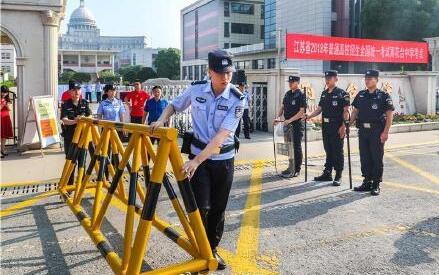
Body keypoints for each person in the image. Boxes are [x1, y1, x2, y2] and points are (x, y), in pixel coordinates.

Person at [150, 49, 244, 270]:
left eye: (229, 72)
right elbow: (174, 105)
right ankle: (199, 252)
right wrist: (161, 118)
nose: (226, 77)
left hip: (222, 160)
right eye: (220, 72)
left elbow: (220, 138)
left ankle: (211, 251)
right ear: (209, 71)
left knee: (218, 209)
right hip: (198, 158)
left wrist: (195, 161)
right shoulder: (195, 90)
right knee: (200, 207)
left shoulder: (237, 99)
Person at [350, 70, 394, 196]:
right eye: (366, 78)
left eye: (370, 78)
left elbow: (390, 115)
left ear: (376, 80)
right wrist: (348, 124)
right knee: (364, 156)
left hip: (376, 131)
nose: (367, 80)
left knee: (376, 157)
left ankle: (376, 183)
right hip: (363, 130)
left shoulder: (383, 96)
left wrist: (385, 132)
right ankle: (367, 181)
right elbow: (355, 111)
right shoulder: (361, 94)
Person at [306, 70, 350, 186]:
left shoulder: (342, 94)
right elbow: (320, 108)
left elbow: (346, 111)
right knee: (328, 150)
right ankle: (327, 173)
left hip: (337, 126)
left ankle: (338, 174)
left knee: (337, 151)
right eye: (326, 78)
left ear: (336, 79)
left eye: (330, 78)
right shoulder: (324, 93)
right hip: (326, 126)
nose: (327, 80)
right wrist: (309, 116)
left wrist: (343, 126)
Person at [273, 75, 306, 178]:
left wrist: (290, 120)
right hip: (287, 125)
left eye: (292, 82)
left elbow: (302, 112)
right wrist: (277, 117)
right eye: (289, 82)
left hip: (296, 125)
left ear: (297, 82)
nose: (290, 84)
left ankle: (297, 169)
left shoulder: (301, 95)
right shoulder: (288, 94)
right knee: (289, 147)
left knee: (296, 147)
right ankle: (290, 167)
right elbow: (282, 107)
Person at [60, 82, 91, 184]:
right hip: (70, 138)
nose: (77, 92)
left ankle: (81, 186)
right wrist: (75, 121)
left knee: (82, 163)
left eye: (78, 89)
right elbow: (64, 120)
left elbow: (90, 116)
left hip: (83, 137)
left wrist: (84, 119)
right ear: (69, 92)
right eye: (74, 90)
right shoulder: (66, 104)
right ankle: (69, 187)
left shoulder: (84, 103)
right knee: (71, 163)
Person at [1, 85, 14, 158]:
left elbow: (9, 109)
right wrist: (2, 104)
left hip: (6, 118)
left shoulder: (8, 99)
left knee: (4, 136)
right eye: (3, 92)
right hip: (1, 117)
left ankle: (3, 150)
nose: (4, 94)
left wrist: (6, 104)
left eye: (5, 93)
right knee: (0, 135)